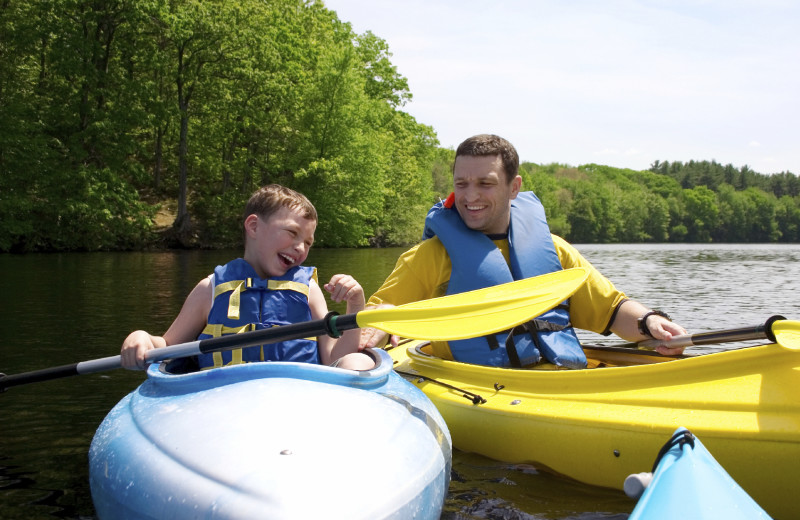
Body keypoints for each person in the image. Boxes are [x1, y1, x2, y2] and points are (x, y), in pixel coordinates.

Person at [360, 134, 687, 368]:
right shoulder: (431, 256)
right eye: (461, 184)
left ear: (513, 187)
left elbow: (612, 310)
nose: (470, 196)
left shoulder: (556, 251)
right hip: (478, 385)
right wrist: (377, 322)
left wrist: (650, 322)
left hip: (560, 377)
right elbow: (381, 311)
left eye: (485, 184)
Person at [121, 184, 374, 371]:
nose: (300, 248)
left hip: (297, 394)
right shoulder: (209, 289)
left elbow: (333, 358)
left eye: (308, 242)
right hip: (227, 398)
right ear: (253, 226)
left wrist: (355, 306)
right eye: (292, 233)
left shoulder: (308, 289)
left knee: (358, 361)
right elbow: (166, 347)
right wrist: (142, 338)